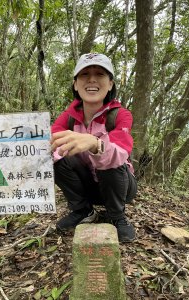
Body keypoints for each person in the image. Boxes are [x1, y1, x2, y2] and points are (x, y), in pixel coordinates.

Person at [51, 53, 137, 242]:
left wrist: (95, 144)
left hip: (119, 186)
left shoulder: (120, 115)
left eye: (99, 74)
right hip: (88, 184)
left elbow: (121, 153)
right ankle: (83, 211)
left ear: (110, 84)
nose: (91, 79)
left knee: (109, 155)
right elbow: (46, 139)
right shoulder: (69, 116)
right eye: (84, 74)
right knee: (57, 155)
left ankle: (116, 216)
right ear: (75, 84)